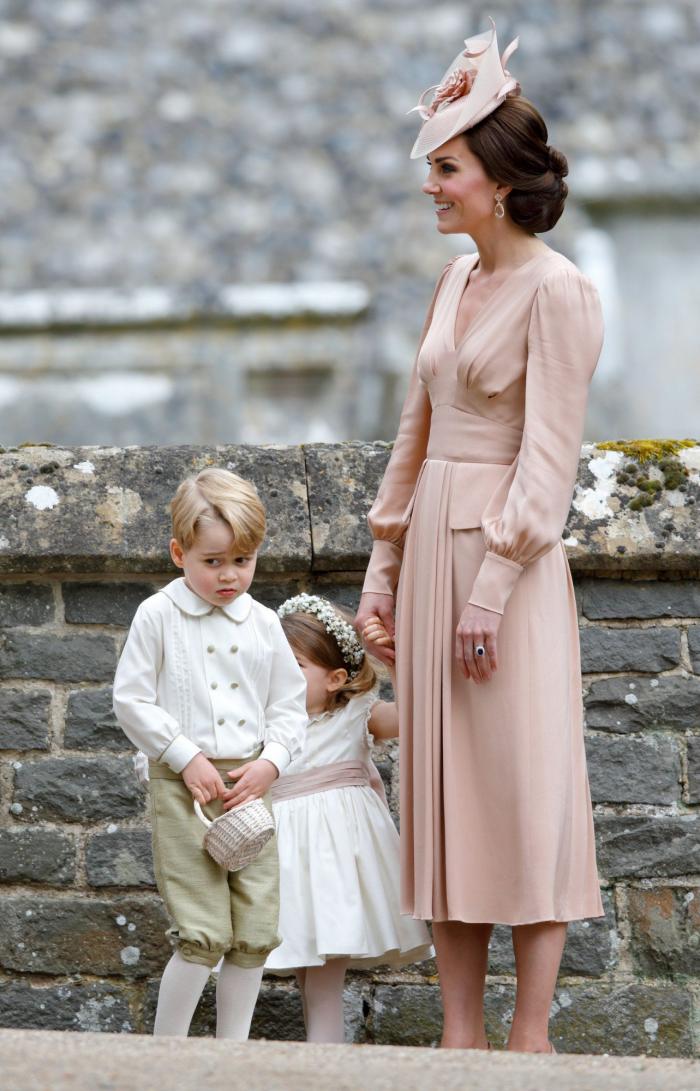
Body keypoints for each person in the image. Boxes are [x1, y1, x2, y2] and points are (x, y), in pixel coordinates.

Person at [355, 20, 604, 1054]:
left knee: (520, 785)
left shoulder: (560, 292)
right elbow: (413, 439)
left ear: (496, 180)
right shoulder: (453, 285)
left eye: (444, 167)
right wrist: (382, 573)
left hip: (506, 574)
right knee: (445, 799)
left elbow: (548, 462)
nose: (431, 185)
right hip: (427, 571)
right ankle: (457, 1038)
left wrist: (489, 590)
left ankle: (528, 1033)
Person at [112, 468, 307, 1039]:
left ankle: (231, 1054)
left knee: (253, 928)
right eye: (213, 561)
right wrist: (184, 755)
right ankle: (167, 1052)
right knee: (202, 929)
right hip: (185, 786)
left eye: (242, 561)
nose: (229, 576)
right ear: (179, 553)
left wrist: (272, 761)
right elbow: (131, 699)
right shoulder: (158, 615)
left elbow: (290, 707)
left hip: (251, 787)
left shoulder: (266, 623)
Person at [265, 594, 433, 1043]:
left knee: (323, 970)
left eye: (294, 667)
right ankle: (321, 1054)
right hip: (284, 859)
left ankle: (326, 1056)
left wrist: (393, 660)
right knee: (306, 969)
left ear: (336, 678)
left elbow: (416, 715)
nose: (278, 675)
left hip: (335, 858)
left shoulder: (358, 715)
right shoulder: (266, 723)